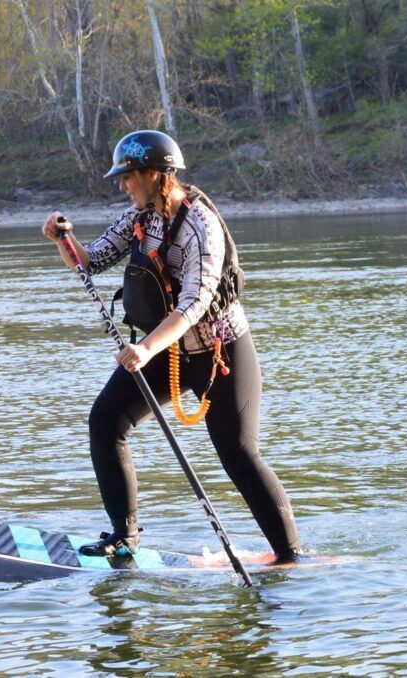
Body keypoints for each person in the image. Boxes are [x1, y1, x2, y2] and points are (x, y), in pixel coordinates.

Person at [41, 130, 300, 563]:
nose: (122, 185)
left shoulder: (201, 225)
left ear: (155, 175)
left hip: (222, 354)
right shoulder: (140, 217)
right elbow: (91, 261)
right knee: (106, 420)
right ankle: (123, 538)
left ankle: (290, 557)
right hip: (168, 353)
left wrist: (144, 350)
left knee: (238, 454)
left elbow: (195, 302)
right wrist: (62, 239)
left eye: (128, 177)